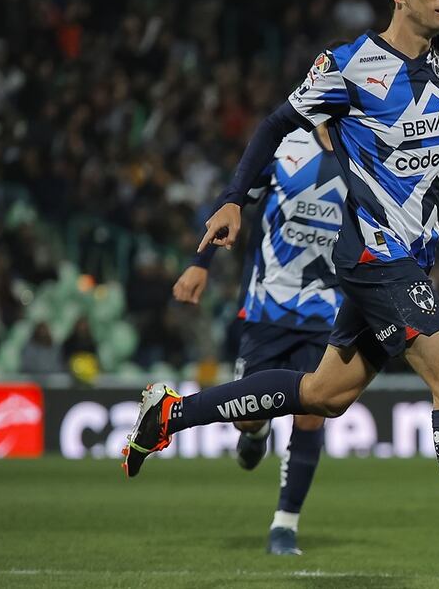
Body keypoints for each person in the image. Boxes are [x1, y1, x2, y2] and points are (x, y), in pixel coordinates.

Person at [123, 0, 439, 586]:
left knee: (322, 395)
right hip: (375, 256)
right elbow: (276, 124)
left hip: (408, 259)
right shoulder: (350, 65)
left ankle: (170, 415)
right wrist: (232, 201)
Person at [171, 122, 344, 556]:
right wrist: (200, 264)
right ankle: (256, 431)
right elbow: (234, 201)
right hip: (269, 304)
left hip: (328, 309)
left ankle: (284, 525)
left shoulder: (364, 152)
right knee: (247, 418)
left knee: (312, 413)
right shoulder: (287, 146)